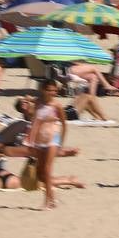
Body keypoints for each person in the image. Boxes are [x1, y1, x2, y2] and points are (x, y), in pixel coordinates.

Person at [25, 78, 70, 209]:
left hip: (53, 139)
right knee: (40, 174)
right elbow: (32, 118)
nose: (52, 93)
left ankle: (47, 202)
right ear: (43, 90)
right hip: (39, 139)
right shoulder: (37, 102)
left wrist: (61, 143)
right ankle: (53, 198)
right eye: (49, 90)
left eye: (54, 90)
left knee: (47, 169)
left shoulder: (57, 106)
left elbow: (64, 124)